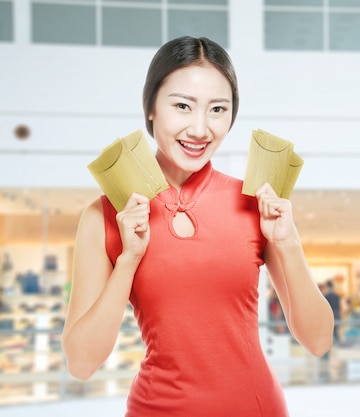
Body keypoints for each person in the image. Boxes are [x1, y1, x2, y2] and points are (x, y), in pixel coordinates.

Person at [61, 36, 334, 416]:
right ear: (152, 107)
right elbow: (81, 363)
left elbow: (319, 340)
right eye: (182, 106)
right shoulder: (107, 215)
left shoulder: (257, 203)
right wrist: (128, 260)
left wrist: (287, 244)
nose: (200, 129)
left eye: (218, 109)